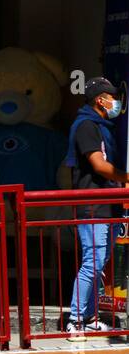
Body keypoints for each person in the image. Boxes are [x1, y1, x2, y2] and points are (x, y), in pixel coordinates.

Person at [62, 78, 129, 339]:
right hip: (93, 207)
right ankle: (75, 319)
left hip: (107, 206)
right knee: (93, 262)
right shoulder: (86, 126)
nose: (117, 102)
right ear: (100, 100)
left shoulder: (103, 126)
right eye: (113, 97)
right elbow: (99, 165)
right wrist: (126, 178)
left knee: (98, 263)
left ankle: (89, 318)